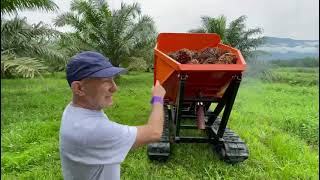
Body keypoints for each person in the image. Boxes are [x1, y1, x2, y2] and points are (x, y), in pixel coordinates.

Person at [59, 51, 166, 180]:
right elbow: (154, 132)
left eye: (113, 79)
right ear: (79, 88)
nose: (115, 88)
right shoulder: (92, 129)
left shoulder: (73, 110)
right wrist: (158, 98)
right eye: (105, 81)